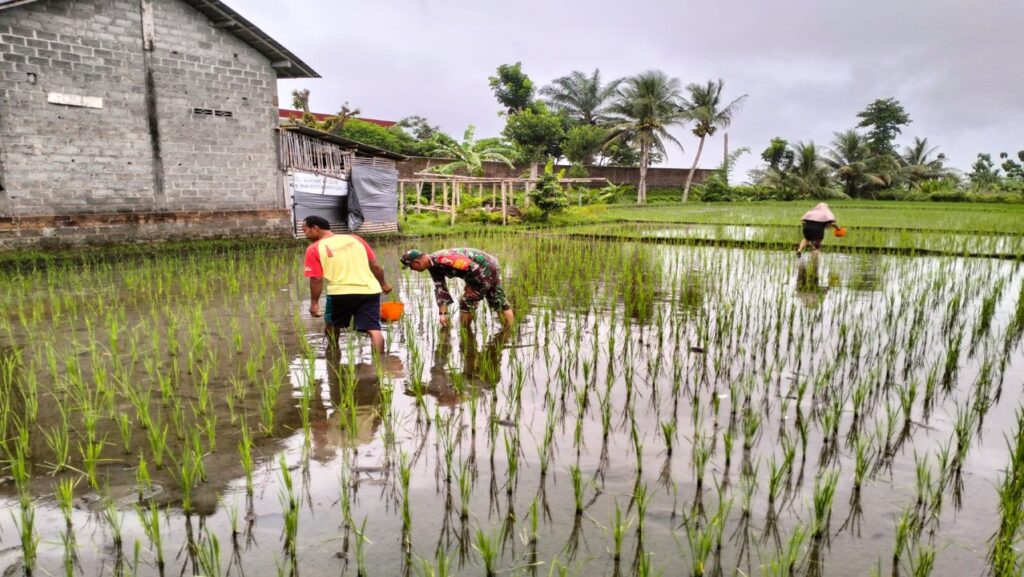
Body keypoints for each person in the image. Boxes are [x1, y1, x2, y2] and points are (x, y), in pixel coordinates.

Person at [302, 215, 392, 356]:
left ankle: (333, 358)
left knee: (331, 325)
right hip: (369, 290)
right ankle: (379, 367)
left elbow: (316, 279)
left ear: (315, 228)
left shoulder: (314, 249)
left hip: (340, 292)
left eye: (305, 230)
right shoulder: (356, 239)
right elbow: (376, 266)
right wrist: (384, 284)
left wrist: (314, 303)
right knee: (374, 329)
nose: (305, 235)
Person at [400, 248, 514, 328]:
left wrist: (470, 285)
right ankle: (510, 331)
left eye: (410, 266)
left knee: (466, 301)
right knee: (498, 300)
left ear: (416, 262)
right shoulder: (433, 266)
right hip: (489, 267)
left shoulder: (443, 258)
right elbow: (441, 289)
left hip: (484, 268)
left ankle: (465, 332)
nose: (412, 269)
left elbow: (473, 267)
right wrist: (443, 315)